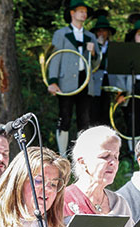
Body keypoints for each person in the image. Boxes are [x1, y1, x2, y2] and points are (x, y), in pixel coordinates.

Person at [48, 0, 98, 154]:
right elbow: (55, 58)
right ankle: (62, 155)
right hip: (66, 82)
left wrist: (93, 53)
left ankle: (82, 154)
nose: (84, 14)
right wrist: (53, 81)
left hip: (85, 80)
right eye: (81, 11)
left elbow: (97, 63)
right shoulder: (60, 34)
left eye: (85, 12)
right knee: (65, 117)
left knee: (85, 119)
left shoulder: (90, 36)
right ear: (72, 13)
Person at [88, 10, 116, 127]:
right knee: (93, 112)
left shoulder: (114, 46)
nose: (101, 33)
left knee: (107, 113)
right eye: (99, 31)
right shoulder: (92, 46)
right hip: (95, 81)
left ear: (108, 32)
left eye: (104, 30)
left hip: (110, 81)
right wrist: (96, 50)